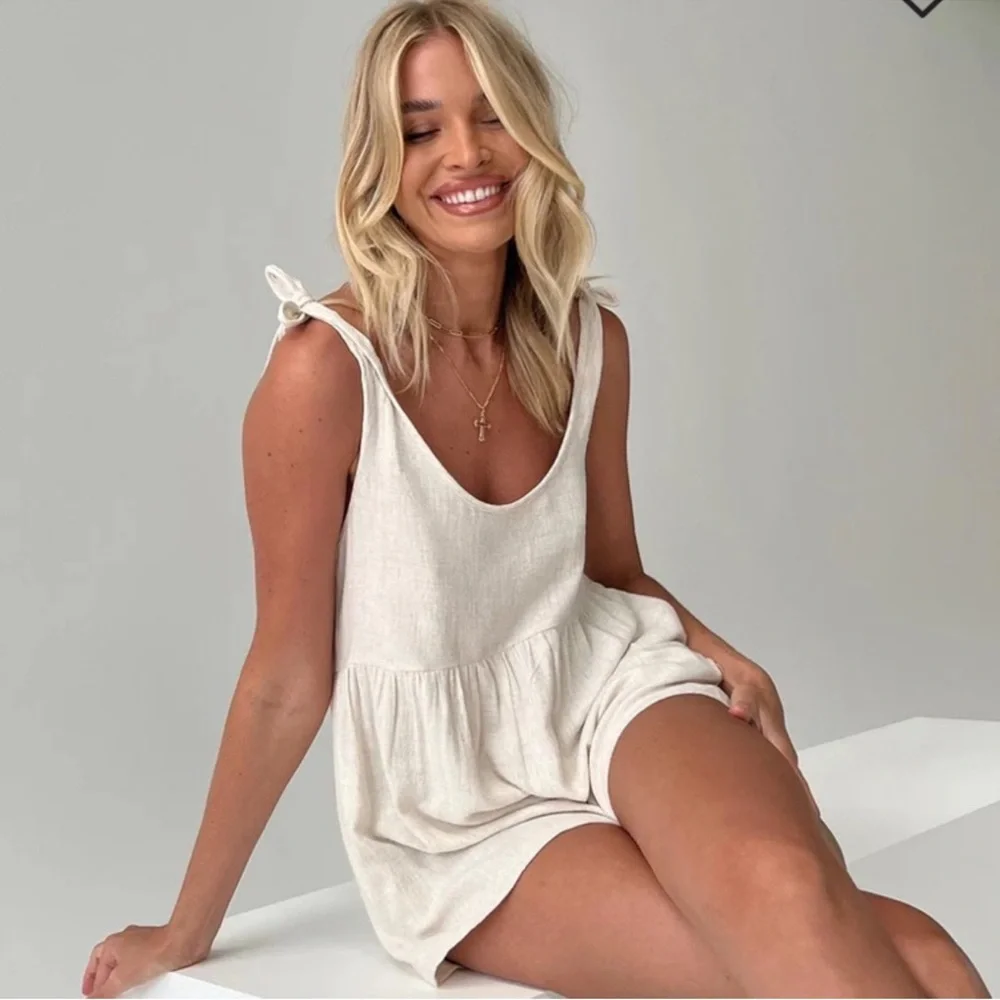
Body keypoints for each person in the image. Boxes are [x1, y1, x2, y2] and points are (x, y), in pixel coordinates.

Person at [82, 1, 991, 997]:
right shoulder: (324, 370)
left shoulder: (589, 341)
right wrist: (186, 928)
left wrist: (715, 648)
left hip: (612, 688)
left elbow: (611, 572)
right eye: (421, 130)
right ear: (379, 160)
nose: (466, 153)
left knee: (789, 885)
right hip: (453, 804)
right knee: (901, 958)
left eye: (493, 116)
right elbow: (286, 677)